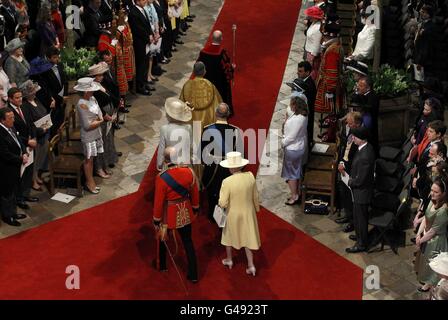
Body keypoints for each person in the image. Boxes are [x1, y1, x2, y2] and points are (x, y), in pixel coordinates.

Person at [153, 146, 200, 283]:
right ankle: (193, 274)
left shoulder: (161, 178)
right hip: (185, 210)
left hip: (169, 214)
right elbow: (194, 192)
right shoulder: (189, 172)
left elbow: (158, 202)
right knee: (188, 241)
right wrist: (195, 208)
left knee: (163, 239)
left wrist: (156, 219)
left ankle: (162, 265)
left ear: (165, 160)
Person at [219, 151, 260, 276]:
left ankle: (229, 260)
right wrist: (256, 209)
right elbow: (255, 196)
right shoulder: (250, 176)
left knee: (228, 238)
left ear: (230, 167)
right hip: (248, 213)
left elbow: (223, 203)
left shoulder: (227, 181)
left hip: (233, 214)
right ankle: (251, 265)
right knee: (248, 239)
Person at [201, 103, 242, 221]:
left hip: (212, 167)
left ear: (215, 113)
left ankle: (212, 214)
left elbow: (201, 152)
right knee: (227, 192)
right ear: (228, 114)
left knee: (212, 191)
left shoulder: (207, 129)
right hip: (229, 167)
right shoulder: (235, 131)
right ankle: (226, 214)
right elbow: (240, 154)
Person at [342, 126, 375, 253]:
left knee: (360, 218)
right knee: (358, 217)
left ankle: (361, 243)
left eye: (354, 136)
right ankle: (360, 235)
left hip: (362, 193)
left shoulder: (365, 156)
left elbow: (361, 179)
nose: (352, 138)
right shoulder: (365, 148)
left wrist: (350, 181)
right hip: (360, 191)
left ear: (361, 139)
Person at [7, 87, 38, 210]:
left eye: (21, 97)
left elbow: (31, 123)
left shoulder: (24, 106)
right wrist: (27, 141)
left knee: (29, 171)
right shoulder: (8, 112)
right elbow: (13, 132)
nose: (20, 99)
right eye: (17, 97)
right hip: (19, 146)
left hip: (30, 145)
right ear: (10, 99)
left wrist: (34, 138)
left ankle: (26, 194)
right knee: (20, 173)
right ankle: (19, 199)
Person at [415, 177, 448, 292]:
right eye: (431, 190)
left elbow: (433, 231)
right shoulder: (431, 199)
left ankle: (430, 287)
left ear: (443, 193)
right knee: (425, 262)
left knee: (433, 265)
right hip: (426, 236)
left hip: (436, 241)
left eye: (436, 192)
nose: (432, 193)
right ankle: (427, 283)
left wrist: (421, 240)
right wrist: (419, 234)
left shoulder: (443, 210)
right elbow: (426, 217)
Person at [74, 77, 104, 194]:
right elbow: (87, 125)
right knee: (88, 160)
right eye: (91, 89)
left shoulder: (92, 98)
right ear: (86, 91)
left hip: (96, 132)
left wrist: (99, 119)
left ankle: (90, 180)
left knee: (92, 159)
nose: (93, 91)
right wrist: (100, 121)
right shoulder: (81, 105)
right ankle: (89, 182)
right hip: (88, 135)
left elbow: (99, 111)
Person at [89, 62, 119, 178]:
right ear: (94, 76)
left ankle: (105, 164)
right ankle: (99, 168)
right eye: (99, 75)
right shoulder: (93, 89)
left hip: (108, 116)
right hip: (102, 118)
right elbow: (96, 104)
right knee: (100, 143)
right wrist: (105, 114)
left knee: (107, 141)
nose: (102, 76)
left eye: (102, 74)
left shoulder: (100, 84)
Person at [19, 80, 50, 192]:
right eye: (32, 92)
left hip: (44, 133)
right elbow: (30, 124)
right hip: (37, 136)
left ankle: (36, 176)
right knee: (35, 160)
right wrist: (41, 129)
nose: (35, 93)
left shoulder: (37, 100)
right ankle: (33, 180)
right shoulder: (25, 106)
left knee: (40, 158)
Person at [336, 111, 363, 233]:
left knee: (352, 197)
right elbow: (346, 148)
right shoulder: (351, 130)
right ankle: (347, 215)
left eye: (350, 123)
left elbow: (356, 156)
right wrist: (341, 162)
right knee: (345, 194)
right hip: (345, 167)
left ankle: (352, 221)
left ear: (357, 123)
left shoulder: (361, 135)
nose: (348, 125)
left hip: (352, 170)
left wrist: (346, 165)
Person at [0, 107, 28, 227]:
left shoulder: (10, 126)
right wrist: (20, 158)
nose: (13, 120)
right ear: (2, 120)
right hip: (5, 169)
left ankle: (13, 212)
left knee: (14, 190)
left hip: (14, 166)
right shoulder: (0, 133)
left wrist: (24, 151)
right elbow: (5, 154)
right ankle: (7, 216)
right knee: (7, 193)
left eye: (13, 117)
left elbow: (18, 141)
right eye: (10, 118)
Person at [197, 30, 234, 115]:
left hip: (207, 82)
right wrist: (232, 69)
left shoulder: (203, 52)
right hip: (220, 83)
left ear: (211, 38)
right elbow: (227, 70)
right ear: (221, 39)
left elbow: (198, 67)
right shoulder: (222, 53)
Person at [281, 93, 308, 205]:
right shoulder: (302, 114)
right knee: (296, 171)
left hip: (293, 148)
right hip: (298, 146)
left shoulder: (298, 119)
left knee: (291, 174)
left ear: (296, 106)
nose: (290, 106)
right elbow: (289, 109)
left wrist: (283, 143)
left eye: (291, 104)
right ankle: (297, 192)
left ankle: (294, 196)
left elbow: (292, 137)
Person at [157, 97, 193, 171]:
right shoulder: (188, 127)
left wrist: (159, 164)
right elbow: (191, 146)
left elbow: (161, 148)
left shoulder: (164, 129)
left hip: (170, 165)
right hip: (185, 164)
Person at [128, 0, 155, 96]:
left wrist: (151, 34)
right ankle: (140, 86)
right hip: (139, 43)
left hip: (146, 41)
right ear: (137, 1)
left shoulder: (142, 9)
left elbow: (147, 24)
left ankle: (144, 83)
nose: (145, 1)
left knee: (146, 62)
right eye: (143, 0)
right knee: (140, 65)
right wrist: (148, 36)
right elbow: (137, 29)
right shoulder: (133, 12)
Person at [303, 6, 324, 80]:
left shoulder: (318, 28)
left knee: (312, 72)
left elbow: (317, 44)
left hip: (313, 55)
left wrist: (313, 57)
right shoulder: (314, 23)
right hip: (309, 52)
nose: (309, 17)